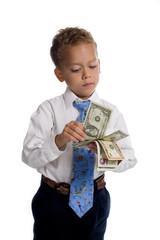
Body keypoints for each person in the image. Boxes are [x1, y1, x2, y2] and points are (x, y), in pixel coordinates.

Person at [22, 27, 137, 240]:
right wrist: (59, 140)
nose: (87, 74)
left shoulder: (111, 113)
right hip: (53, 200)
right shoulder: (48, 110)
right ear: (59, 74)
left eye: (92, 66)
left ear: (99, 66)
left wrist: (105, 153)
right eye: (75, 69)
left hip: (96, 199)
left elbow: (130, 159)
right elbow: (28, 156)